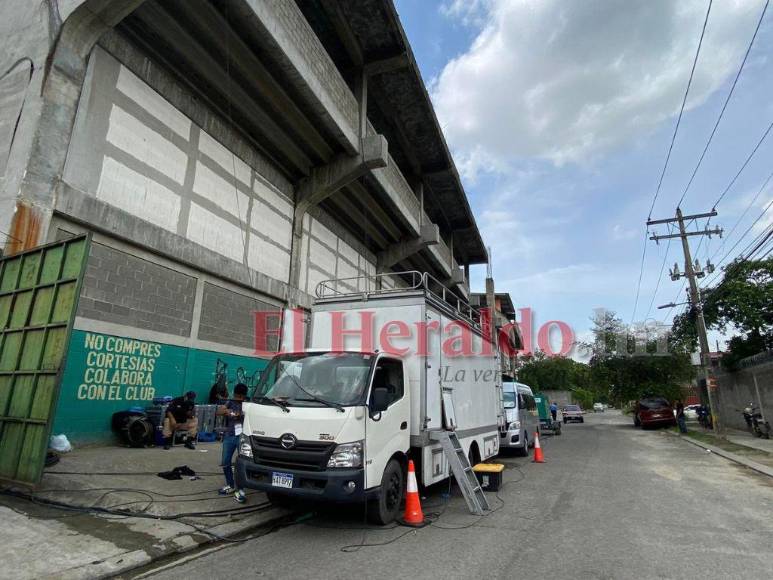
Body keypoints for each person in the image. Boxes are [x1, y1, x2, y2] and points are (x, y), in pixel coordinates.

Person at [218, 383, 248, 503]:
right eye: (237, 395)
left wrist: (232, 413)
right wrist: (226, 410)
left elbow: (240, 415)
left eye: (241, 396)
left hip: (243, 437)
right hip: (229, 435)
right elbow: (220, 411)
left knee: (241, 464)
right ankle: (230, 485)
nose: (239, 398)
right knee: (225, 462)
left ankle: (240, 490)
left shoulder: (248, 404)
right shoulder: (230, 402)